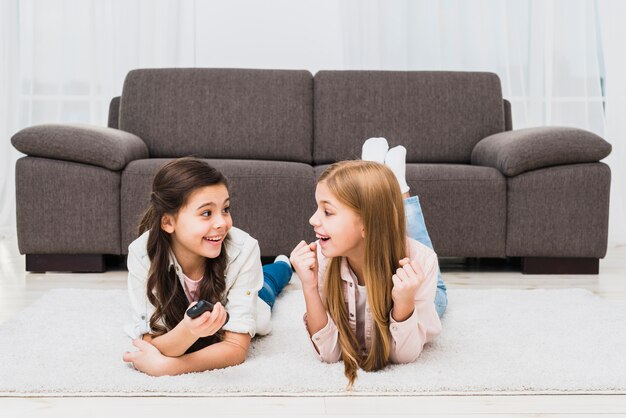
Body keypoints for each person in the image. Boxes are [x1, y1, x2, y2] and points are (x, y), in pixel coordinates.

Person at [290, 141, 445, 387]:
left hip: (414, 275)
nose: (312, 219)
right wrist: (309, 287)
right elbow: (330, 353)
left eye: (327, 212)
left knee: (440, 295)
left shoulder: (423, 261)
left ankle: (398, 186)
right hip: (379, 231)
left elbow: (404, 356)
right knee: (395, 222)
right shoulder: (323, 258)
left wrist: (404, 302)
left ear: (367, 223)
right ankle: (375, 176)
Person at [122, 157, 292, 376]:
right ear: (168, 222)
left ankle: (283, 265)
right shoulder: (142, 254)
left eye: (226, 209)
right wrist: (189, 331)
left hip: (251, 292)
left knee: (266, 294)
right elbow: (151, 342)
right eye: (206, 213)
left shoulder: (244, 249)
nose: (222, 223)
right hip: (187, 320)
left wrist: (169, 366)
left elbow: (236, 348)